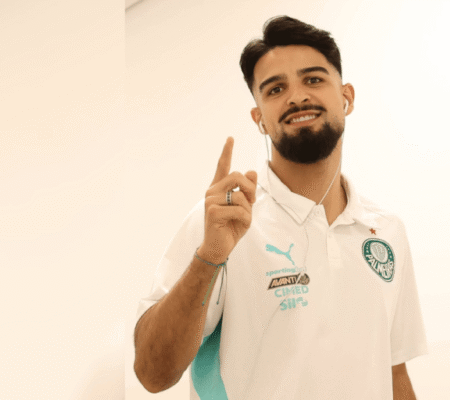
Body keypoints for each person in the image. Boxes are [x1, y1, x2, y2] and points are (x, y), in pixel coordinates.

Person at [133, 15, 428, 399]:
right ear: (259, 119)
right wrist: (210, 257)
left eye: (313, 79)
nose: (297, 97)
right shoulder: (222, 223)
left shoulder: (387, 231)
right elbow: (152, 374)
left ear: (347, 97)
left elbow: (393, 372)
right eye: (275, 89)